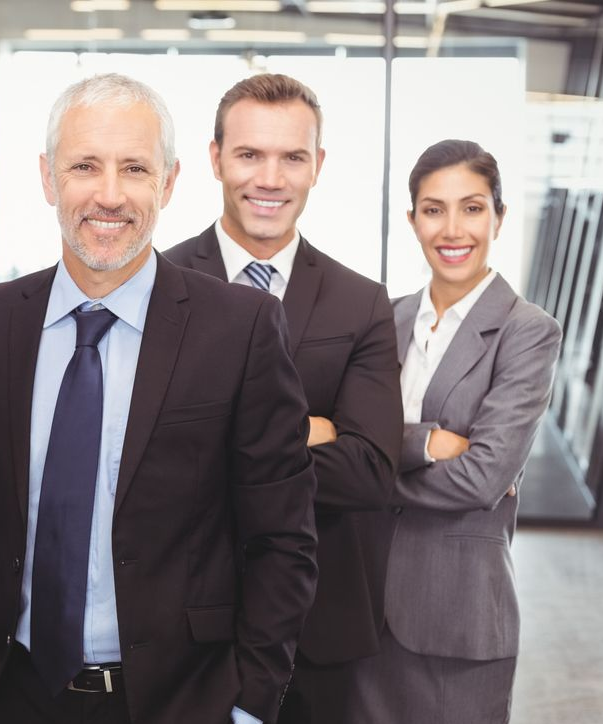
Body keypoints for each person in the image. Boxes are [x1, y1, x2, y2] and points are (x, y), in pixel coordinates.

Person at [0, 72, 318, 724]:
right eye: (85, 165)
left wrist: (251, 703)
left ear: (168, 183)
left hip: (180, 701)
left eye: (134, 169)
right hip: (11, 693)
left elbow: (281, 539)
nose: (109, 195)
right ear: (48, 178)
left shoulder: (241, 327)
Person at [163, 73, 401, 723]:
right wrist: (304, 432)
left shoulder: (361, 303)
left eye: (292, 156)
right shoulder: (158, 287)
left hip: (321, 632)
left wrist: (224, 442)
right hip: (185, 625)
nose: (270, 178)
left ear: (317, 166)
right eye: (249, 155)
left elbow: (371, 473)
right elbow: (144, 460)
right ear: (215, 159)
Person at [350, 139, 562, 723]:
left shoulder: (527, 333)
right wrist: (424, 443)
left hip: (457, 616)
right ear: (413, 218)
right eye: (433, 208)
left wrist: (368, 467)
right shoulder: (382, 320)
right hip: (362, 609)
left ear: (499, 215)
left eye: (471, 207)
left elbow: (481, 479)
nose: (453, 228)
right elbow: (347, 443)